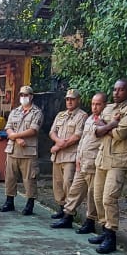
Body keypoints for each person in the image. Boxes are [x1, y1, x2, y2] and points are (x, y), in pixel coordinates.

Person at [88, 79, 127, 254]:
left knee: (109, 198)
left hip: (119, 160)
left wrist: (107, 127)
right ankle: (105, 230)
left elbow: (121, 134)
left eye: (121, 90)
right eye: (114, 89)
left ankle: (111, 235)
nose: (116, 93)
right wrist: (112, 124)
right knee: (97, 197)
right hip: (102, 158)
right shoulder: (108, 108)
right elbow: (95, 131)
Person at [51, 92, 107, 231]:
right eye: (93, 104)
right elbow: (83, 141)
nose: (95, 107)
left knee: (92, 195)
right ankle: (67, 217)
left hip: (95, 162)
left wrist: (59, 145)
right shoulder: (89, 119)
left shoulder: (105, 121)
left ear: (105, 105)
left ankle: (90, 221)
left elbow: (78, 137)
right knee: (74, 191)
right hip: (82, 161)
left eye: (98, 104)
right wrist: (78, 158)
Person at [1, 85, 45, 215]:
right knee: (10, 177)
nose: (23, 97)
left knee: (29, 179)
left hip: (28, 151)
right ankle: (9, 201)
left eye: (26, 95)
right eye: (21, 95)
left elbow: (33, 130)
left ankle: (29, 204)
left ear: (31, 96)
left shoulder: (37, 113)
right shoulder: (15, 111)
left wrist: (15, 136)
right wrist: (15, 138)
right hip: (13, 150)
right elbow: (8, 127)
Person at [49, 89, 87, 218]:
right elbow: (52, 132)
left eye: (72, 99)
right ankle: (61, 208)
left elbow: (77, 135)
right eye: (67, 99)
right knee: (58, 184)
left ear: (78, 100)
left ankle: (69, 212)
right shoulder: (61, 115)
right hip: (58, 155)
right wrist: (59, 142)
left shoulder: (82, 116)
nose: (69, 101)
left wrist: (59, 146)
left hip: (71, 155)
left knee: (68, 182)